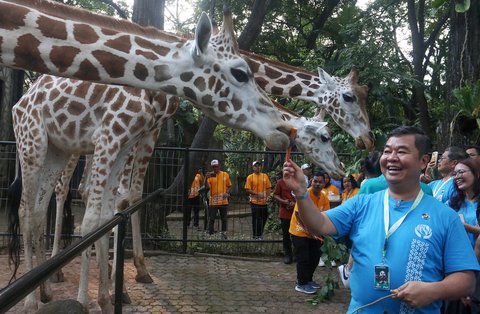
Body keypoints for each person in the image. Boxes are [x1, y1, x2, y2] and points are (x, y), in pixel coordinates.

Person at [283, 125, 479, 312]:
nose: (392, 158)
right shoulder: (362, 204)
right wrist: (301, 193)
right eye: (387, 151)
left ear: (423, 161)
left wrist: (433, 290)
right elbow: (319, 224)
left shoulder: (446, 217)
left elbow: (466, 280)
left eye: (402, 151)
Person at [444, 158, 480, 314]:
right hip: (456, 266)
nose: (457, 176)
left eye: (461, 172)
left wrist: (465, 227)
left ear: (476, 174)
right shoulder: (453, 204)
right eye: (455, 173)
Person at [289, 172, 330, 294]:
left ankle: (308, 280)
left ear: (325, 183)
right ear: (311, 182)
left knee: (315, 257)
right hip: (299, 231)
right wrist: (310, 230)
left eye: (320, 182)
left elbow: (326, 215)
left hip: (315, 233)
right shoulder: (304, 195)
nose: (317, 184)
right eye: (315, 181)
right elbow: (299, 214)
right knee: (304, 257)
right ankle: (301, 283)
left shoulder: (324, 197)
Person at [245, 160, 272, 240]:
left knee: (264, 218)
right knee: (256, 219)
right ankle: (256, 235)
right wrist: (257, 194)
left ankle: (260, 234)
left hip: (264, 202)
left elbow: (268, 187)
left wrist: (268, 196)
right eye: (256, 166)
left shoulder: (265, 176)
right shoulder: (250, 177)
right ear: (253, 167)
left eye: (259, 165)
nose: (258, 167)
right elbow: (247, 189)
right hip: (254, 202)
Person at [205, 159, 232, 238]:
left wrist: (227, 193)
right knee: (211, 218)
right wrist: (206, 179)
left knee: (224, 219)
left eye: (216, 166)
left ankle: (224, 234)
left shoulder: (225, 174)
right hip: (213, 201)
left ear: (219, 166)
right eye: (213, 167)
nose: (215, 168)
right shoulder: (210, 175)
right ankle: (211, 235)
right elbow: (207, 187)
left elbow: (229, 186)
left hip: (223, 201)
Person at [273, 173, 296, 264]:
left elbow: (302, 194)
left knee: (297, 235)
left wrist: (295, 203)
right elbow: (275, 195)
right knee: (286, 235)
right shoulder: (280, 182)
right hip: (285, 213)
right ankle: (288, 255)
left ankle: (296, 254)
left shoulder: (297, 182)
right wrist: (284, 201)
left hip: (296, 213)